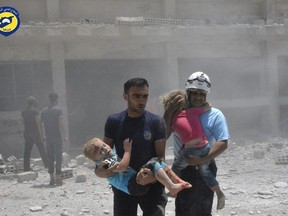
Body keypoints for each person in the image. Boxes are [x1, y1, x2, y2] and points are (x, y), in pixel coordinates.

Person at [96, 78, 168, 216]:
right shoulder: (114, 121)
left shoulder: (156, 122)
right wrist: (99, 171)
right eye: (136, 96)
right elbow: (105, 153)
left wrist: (152, 177)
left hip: (151, 185)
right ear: (125, 96)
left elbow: (160, 156)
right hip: (124, 184)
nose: (141, 100)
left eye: (145, 96)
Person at [163, 71, 230, 216]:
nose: (199, 97)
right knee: (183, 210)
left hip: (204, 166)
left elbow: (223, 142)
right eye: (195, 93)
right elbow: (163, 136)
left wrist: (202, 160)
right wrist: (168, 112)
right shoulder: (178, 112)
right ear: (188, 93)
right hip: (183, 169)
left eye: (202, 94)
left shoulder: (215, 114)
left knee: (202, 210)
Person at [83, 137, 191, 196]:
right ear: (96, 160)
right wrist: (127, 150)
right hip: (132, 186)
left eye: (104, 145)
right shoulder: (105, 164)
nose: (105, 149)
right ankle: (172, 187)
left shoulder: (111, 154)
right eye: (100, 151)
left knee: (157, 162)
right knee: (153, 164)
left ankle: (177, 182)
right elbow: (123, 167)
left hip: (134, 180)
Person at [40, 93, 67, 186]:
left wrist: (42, 135)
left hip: (48, 138)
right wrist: (64, 135)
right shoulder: (58, 110)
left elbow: (40, 124)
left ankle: (51, 178)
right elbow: (61, 123)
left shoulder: (43, 111)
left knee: (50, 157)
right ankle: (58, 178)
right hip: (57, 137)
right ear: (56, 100)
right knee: (58, 157)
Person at [21, 96, 49, 171]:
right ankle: (47, 164)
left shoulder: (23, 112)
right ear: (34, 103)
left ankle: (26, 168)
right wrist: (42, 135)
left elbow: (23, 123)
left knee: (27, 152)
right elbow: (38, 123)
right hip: (35, 133)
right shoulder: (35, 111)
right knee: (42, 149)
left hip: (27, 133)